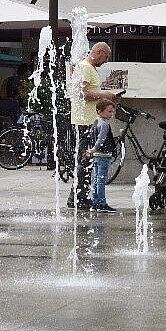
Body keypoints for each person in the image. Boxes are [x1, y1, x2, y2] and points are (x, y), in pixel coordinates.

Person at [68, 42, 122, 210]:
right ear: (99, 52)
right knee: (85, 160)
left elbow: (92, 95)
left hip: (89, 122)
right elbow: (83, 93)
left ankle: (79, 197)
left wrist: (109, 99)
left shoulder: (90, 68)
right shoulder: (85, 67)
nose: (105, 61)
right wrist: (105, 94)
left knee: (88, 161)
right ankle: (78, 199)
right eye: (105, 57)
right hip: (84, 122)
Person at [85, 98, 119, 213]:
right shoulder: (104, 124)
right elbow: (101, 139)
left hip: (97, 156)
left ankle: (95, 202)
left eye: (112, 111)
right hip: (103, 155)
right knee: (101, 180)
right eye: (109, 111)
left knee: (96, 179)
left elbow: (92, 137)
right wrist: (94, 149)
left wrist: (91, 150)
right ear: (100, 111)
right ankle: (101, 203)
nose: (111, 114)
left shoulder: (96, 121)